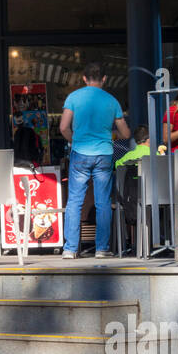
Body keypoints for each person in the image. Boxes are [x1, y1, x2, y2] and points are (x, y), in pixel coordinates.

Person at [59, 63, 130, 259]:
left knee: (74, 201)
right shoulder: (112, 101)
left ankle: (70, 249)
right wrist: (110, 131)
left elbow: (64, 127)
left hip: (80, 153)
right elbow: (125, 133)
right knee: (103, 202)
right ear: (105, 79)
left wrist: (76, 139)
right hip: (103, 155)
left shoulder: (73, 97)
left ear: (84, 78)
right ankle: (102, 249)